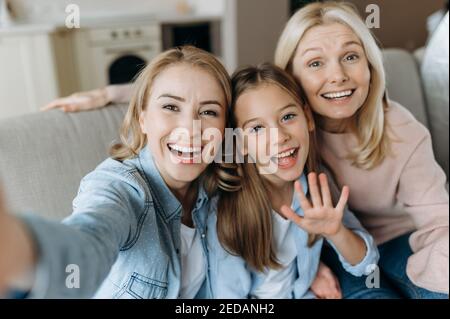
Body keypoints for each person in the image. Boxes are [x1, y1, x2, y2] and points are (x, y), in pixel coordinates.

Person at [0, 46, 231, 298]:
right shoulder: (122, 187)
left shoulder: (218, 182)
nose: (191, 128)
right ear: (143, 119)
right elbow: (90, 238)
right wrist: (22, 252)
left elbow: (251, 90)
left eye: (209, 112)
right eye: (170, 107)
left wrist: (108, 93)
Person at [274, 1, 449, 298]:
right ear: (290, 76)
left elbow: (438, 224)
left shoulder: (402, 129)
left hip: (400, 240)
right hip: (327, 248)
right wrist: (302, 265)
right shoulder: (279, 134)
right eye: (316, 63)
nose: (338, 75)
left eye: (351, 56)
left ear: (370, 66)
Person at [204, 63, 378, 298]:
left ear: (307, 118)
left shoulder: (316, 186)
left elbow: (367, 266)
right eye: (257, 128)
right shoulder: (226, 212)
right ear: (239, 143)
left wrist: (336, 232)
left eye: (287, 117)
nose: (280, 137)